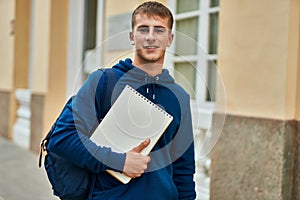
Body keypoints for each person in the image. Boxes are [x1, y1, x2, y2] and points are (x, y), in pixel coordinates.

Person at [47, 1, 196, 199]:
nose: (151, 37)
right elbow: (62, 138)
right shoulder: (103, 81)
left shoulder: (179, 97)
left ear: (170, 39)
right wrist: (120, 161)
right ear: (132, 37)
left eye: (159, 30)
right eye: (143, 30)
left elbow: (183, 170)